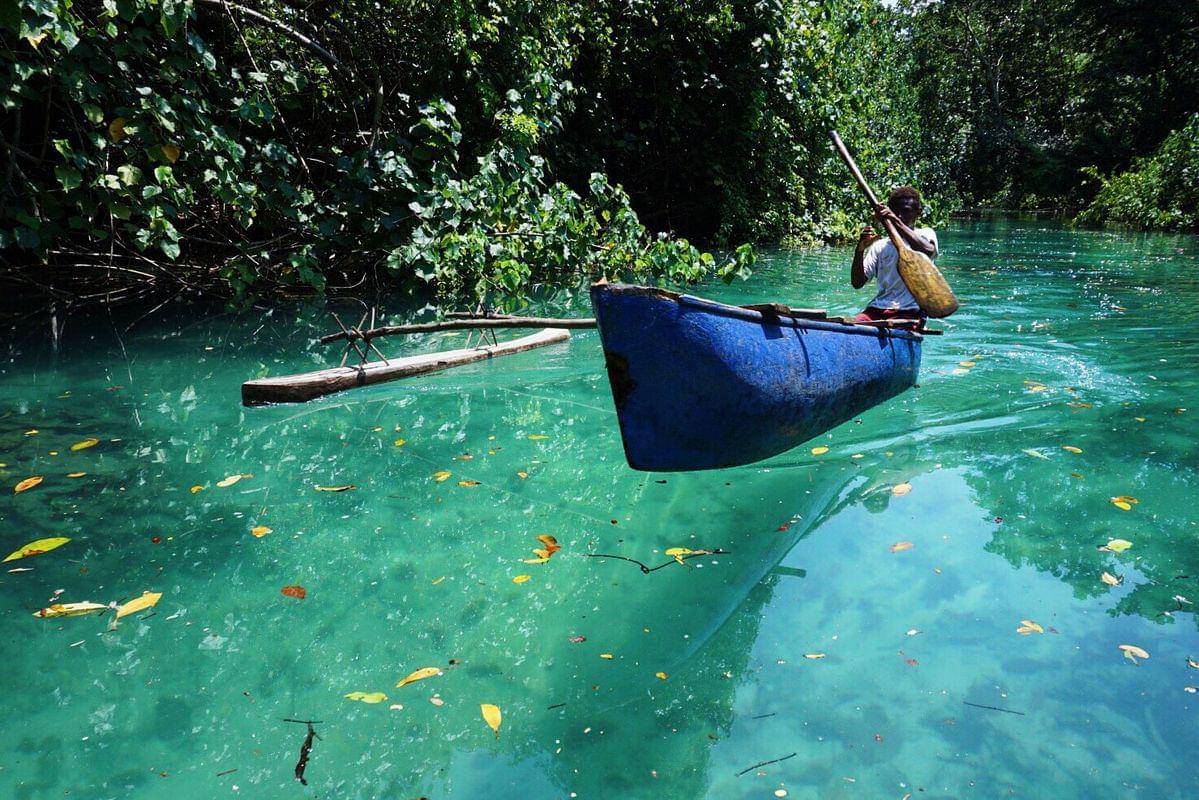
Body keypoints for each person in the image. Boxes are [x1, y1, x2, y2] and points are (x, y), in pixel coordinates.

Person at [850, 186, 938, 326]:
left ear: (918, 213)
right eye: (896, 212)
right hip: (877, 309)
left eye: (906, 211)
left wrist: (894, 220)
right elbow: (857, 283)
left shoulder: (925, 234)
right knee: (851, 324)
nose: (900, 216)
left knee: (893, 325)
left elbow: (928, 250)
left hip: (910, 311)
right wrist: (859, 250)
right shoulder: (880, 246)